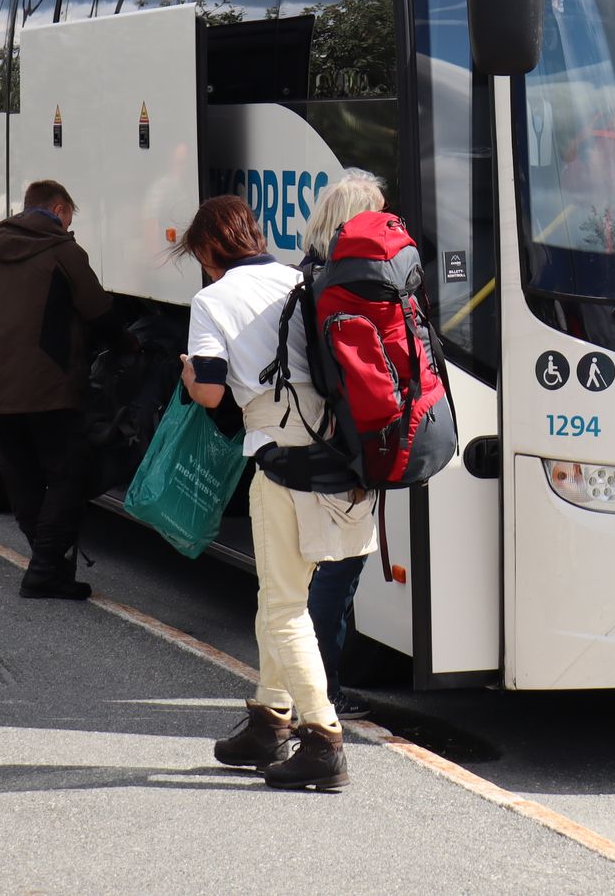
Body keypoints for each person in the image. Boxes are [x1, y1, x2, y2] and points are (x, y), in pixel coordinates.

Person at [178, 175, 386, 792]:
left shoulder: (212, 301)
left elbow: (212, 391)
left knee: (281, 607)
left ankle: (323, 739)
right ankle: (269, 722)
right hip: (343, 460)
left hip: (283, 466)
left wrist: (191, 377)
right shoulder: (303, 278)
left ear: (207, 251)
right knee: (290, 593)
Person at [0, 179, 111, 600]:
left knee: (22, 478)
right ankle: (45, 568)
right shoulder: (64, 252)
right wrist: (126, 345)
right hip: (49, 387)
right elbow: (98, 310)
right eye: (70, 216)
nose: (70, 225)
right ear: (58, 208)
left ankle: (47, 565)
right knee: (68, 475)